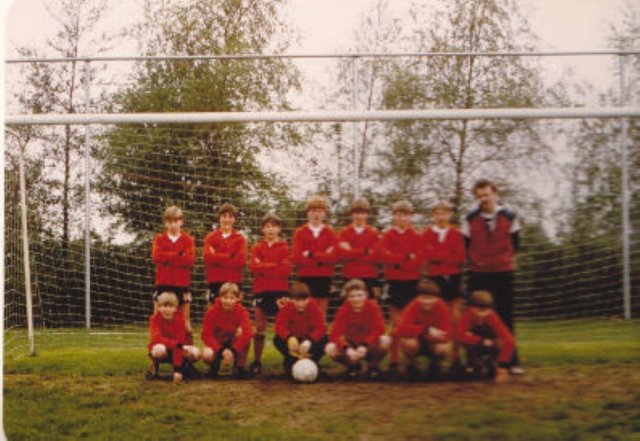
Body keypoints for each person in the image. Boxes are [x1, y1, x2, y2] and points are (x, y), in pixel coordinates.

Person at [462, 179, 522, 373]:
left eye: (486, 194)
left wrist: (503, 260)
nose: (484, 199)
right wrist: (477, 261)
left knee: (505, 315)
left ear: (495, 193)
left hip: (502, 272)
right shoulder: (470, 217)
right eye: (479, 196)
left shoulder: (510, 216)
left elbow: (515, 243)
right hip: (478, 273)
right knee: (474, 316)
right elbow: (466, 244)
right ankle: (474, 360)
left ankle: (511, 361)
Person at [381, 200, 424, 373]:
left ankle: (411, 360)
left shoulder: (417, 236)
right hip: (394, 282)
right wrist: (406, 258)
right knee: (396, 323)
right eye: (398, 215)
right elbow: (385, 256)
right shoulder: (388, 235)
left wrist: (397, 260)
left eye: (405, 215)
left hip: (411, 282)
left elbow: (419, 259)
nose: (401, 218)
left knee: (410, 322)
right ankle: (394, 360)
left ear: (410, 217)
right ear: (394, 216)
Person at [423, 200, 465, 371]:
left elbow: (459, 257)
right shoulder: (427, 233)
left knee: (455, 317)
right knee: (437, 317)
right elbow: (426, 254)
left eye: (444, 213)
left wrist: (438, 256)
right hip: (435, 277)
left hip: (454, 277)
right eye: (437, 213)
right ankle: (436, 356)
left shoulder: (456, 233)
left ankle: (455, 356)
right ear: (433, 215)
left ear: (450, 214)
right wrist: (447, 255)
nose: (441, 216)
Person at [248, 212, 292, 374]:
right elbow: (253, 268)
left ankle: (290, 358)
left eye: (274, 226)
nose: (271, 229)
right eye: (267, 226)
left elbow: (285, 270)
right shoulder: (257, 247)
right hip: (261, 290)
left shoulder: (285, 247)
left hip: (280, 291)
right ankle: (257, 361)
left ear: (279, 229)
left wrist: (264, 265)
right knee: (260, 327)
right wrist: (274, 265)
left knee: (284, 327)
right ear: (262, 229)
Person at [325, 279, 390, 380]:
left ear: (366, 295)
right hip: (351, 345)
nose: (356, 299)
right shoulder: (343, 310)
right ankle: (352, 367)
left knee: (385, 340)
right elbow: (335, 334)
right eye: (352, 296)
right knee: (330, 348)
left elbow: (379, 329)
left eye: (360, 295)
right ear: (347, 297)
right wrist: (346, 348)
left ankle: (373, 367)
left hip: (369, 344)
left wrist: (365, 345)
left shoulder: (373, 307)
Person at [151, 206, 196, 333]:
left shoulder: (188, 240)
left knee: (185, 324)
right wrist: (179, 254)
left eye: (176, 221)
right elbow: (157, 257)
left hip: (182, 284)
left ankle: (186, 346)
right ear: (166, 223)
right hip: (163, 283)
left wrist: (167, 256)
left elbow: (189, 260)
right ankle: (157, 345)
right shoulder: (159, 239)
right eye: (170, 221)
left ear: (181, 221)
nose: (173, 224)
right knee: (158, 322)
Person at [456, 290, 515, 384]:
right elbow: (459, 335)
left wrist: (503, 366)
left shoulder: (492, 316)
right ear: (471, 307)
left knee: (500, 343)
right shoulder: (466, 315)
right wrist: (481, 340)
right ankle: (474, 365)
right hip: (475, 344)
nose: (483, 314)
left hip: (492, 343)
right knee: (470, 351)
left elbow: (508, 339)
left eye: (486, 310)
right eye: (479, 310)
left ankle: (492, 364)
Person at [396, 280, 451, 379]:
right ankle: (412, 365)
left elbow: (447, 333)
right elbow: (401, 329)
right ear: (418, 298)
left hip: (432, 342)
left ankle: (435, 365)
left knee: (443, 348)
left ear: (437, 298)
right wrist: (426, 330)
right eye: (423, 298)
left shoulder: (442, 307)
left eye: (430, 298)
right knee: (409, 343)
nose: (427, 301)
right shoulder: (412, 306)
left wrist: (434, 337)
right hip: (416, 340)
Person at [293, 195, 338, 316]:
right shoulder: (300, 232)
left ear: (324, 213)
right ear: (307, 213)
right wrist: (323, 257)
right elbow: (298, 258)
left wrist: (311, 254)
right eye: (313, 211)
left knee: (321, 312)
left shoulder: (330, 233)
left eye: (320, 211)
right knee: (305, 311)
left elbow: (333, 257)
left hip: (324, 277)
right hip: (305, 277)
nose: (316, 214)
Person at [273, 282, 328, 377]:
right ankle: (291, 359)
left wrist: (310, 340)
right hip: (293, 341)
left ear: (309, 299)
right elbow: (279, 326)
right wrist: (289, 337)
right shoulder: (286, 307)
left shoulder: (314, 307)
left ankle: (313, 360)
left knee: (325, 339)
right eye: (297, 300)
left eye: (304, 300)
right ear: (291, 299)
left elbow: (321, 328)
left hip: (308, 341)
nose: (301, 304)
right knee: (277, 339)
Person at [201, 282, 254, 378]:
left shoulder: (242, 311)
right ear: (220, 297)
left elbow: (249, 332)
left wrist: (233, 349)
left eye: (232, 298)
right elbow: (206, 335)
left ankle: (240, 367)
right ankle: (214, 366)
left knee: (242, 332)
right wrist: (221, 350)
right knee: (207, 354)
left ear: (237, 299)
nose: (228, 301)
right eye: (225, 297)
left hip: (233, 342)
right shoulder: (212, 312)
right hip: (218, 344)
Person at [147, 291, 201, 384]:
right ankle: (154, 367)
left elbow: (179, 341)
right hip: (164, 350)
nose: (167, 309)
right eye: (164, 306)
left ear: (176, 308)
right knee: (159, 349)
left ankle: (184, 367)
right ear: (159, 307)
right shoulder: (154, 319)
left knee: (196, 353)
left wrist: (177, 370)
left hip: (177, 349)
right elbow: (156, 338)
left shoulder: (179, 319)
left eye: (171, 306)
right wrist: (174, 344)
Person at [337, 197, 382, 299]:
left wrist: (351, 251)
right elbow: (342, 255)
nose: (359, 216)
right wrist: (365, 251)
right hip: (349, 275)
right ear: (351, 214)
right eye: (356, 213)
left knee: (370, 304)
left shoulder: (373, 233)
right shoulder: (344, 233)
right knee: (351, 304)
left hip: (369, 275)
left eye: (362, 213)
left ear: (367, 214)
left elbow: (375, 256)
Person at [203, 203, 247, 305]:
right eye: (224, 216)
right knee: (213, 311)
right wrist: (231, 256)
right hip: (215, 281)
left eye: (230, 217)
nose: (227, 219)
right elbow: (208, 258)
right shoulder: (210, 237)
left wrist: (217, 256)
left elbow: (240, 261)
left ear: (234, 219)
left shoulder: (240, 239)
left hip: (234, 282)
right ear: (219, 218)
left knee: (235, 312)